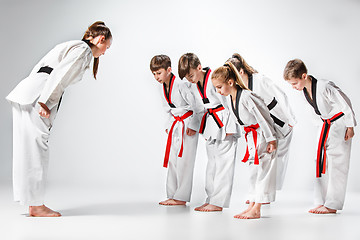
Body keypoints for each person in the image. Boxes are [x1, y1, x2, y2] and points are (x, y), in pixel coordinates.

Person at [6, 21, 112, 217]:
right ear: (101, 39)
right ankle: (36, 205)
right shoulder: (83, 50)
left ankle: (31, 202)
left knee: (26, 149)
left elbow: (41, 69)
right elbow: (60, 75)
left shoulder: (71, 45)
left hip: (27, 92)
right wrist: (46, 101)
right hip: (39, 95)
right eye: (107, 47)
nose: (105, 52)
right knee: (37, 149)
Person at [283, 59, 356, 214]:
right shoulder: (304, 91)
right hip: (325, 126)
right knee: (319, 160)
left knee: (337, 163)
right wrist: (319, 125)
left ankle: (332, 204)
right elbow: (315, 111)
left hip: (339, 125)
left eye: (294, 83)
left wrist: (350, 125)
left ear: (304, 76)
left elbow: (345, 102)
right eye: (291, 84)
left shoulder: (325, 86)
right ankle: (321, 200)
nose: (293, 87)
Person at [211, 61, 277, 219]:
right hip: (251, 136)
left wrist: (271, 139)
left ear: (230, 82)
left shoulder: (247, 96)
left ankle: (258, 208)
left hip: (262, 134)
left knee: (262, 172)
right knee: (253, 172)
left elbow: (263, 118)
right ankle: (252, 205)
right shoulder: (230, 99)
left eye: (220, 87)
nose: (218, 91)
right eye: (216, 88)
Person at [228, 53, 296, 193]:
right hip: (262, 127)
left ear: (241, 71)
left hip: (280, 122)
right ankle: (259, 194)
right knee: (261, 158)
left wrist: (290, 119)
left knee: (277, 159)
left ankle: (264, 194)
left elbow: (281, 95)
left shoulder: (260, 80)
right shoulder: (239, 89)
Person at [178, 53, 237, 212]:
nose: (189, 79)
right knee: (212, 165)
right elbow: (199, 109)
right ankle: (211, 198)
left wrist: (231, 127)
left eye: (191, 75)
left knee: (224, 164)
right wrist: (195, 126)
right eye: (186, 77)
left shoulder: (215, 78)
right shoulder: (195, 84)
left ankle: (218, 202)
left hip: (225, 123)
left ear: (199, 67)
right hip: (211, 125)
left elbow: (230, 102)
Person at [150, 55, 203, 206]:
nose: (156, 77)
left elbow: (196, 106)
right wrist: (169, 125)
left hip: (187, 124)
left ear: (169, 70)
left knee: (185, 161)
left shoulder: (181, 85)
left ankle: (181, 197)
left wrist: (193, 125)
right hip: (175, 124)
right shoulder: (161, 87)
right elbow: (168, 109)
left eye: (159, 73)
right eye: (153, 74)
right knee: (173, 160)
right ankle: (172, 194)